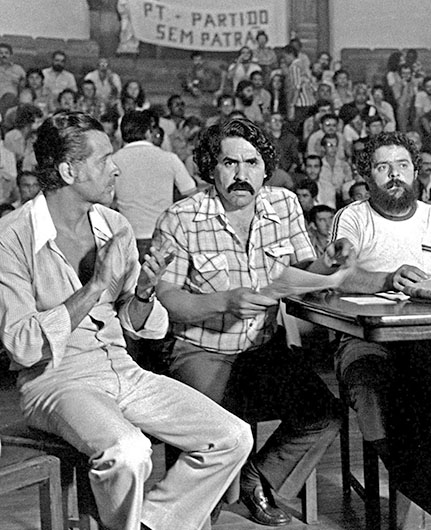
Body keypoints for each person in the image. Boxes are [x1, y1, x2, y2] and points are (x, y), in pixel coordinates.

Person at [0, 111, 252, 530]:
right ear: (68, 170)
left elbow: (140, 325)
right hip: (54, 381)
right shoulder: (11, 237)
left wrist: (145, 292)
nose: (116, 167)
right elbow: (22, 345)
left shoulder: (113, 225)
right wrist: (96, 285)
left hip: (123, 371)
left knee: (231, 437)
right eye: (104, 159)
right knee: (129, 450)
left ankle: (150, 525)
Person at [153, 117, 344, 526]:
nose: (242, 175)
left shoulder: (284, 204)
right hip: (201, 352)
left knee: (324, 415)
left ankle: (257, 478)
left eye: (252, 162)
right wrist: (222, 302)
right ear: (210, 166)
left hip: (263, 349)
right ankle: (209, 497)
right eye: (229, 163)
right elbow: (166, 301)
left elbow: (303, 268)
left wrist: (330, 264)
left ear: (265, 166)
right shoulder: (180, 218)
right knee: (223, 427)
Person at [327, 131, 431, 470]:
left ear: (416, 172)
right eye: (382, 167)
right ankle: (405, 472)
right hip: (367, 337)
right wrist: (388, 279)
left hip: (429, 335)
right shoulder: (353, 217)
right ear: (367, 175)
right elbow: (339, 276)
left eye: (402, 165)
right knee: (367, 381)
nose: (394, 174)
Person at [111, 111, 196, 258]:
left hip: (127, 238)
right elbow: (191, 193)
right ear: (148, 132)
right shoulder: (169, 158)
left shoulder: (113, 161)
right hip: (164, 237)